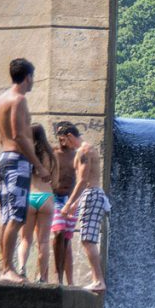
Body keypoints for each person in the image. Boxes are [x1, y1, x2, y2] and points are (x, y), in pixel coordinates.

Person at [0, 58, 52, 283]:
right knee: (16, 217)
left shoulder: (1, 100)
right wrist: (37, 165)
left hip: (5, 159)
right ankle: (8, 269)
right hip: (17, 162)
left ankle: (5, 268)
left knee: (9, 217)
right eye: (33, 77)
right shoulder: (19, 100)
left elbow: (4, 136)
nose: (33, 82)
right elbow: (18, 135)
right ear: (27, 76)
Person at [57, 125, 109, 293]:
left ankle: (98, 280)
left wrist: (68, 203)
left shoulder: (83, 150)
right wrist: (76, 203)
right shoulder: (88, 149)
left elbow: (82, 180)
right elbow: (88, 182)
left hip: (92, 194)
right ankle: (97, 280)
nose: (64, 144)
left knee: (88, 240)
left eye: (64, 140)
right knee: (87, 239)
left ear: (70, 135)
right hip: (92, 194)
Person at [16, 124, 57, 282]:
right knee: (44, 241)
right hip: (46, 197)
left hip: (28, 197)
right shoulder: (52, 155)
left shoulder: (26, 154)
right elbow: (56, 181)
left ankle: (21, 268)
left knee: (25, 239)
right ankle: (42, 277)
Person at [51, 121, 78, 285]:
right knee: (58, 233)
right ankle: (58, 275)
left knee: (67, 240)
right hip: (54, 198)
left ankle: (67, 280)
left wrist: (76, 201)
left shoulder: (76, 154)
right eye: (58, 134)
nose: (61, 138)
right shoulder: (52, 153)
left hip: (71, 200)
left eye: (64, 135)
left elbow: (83, 179)